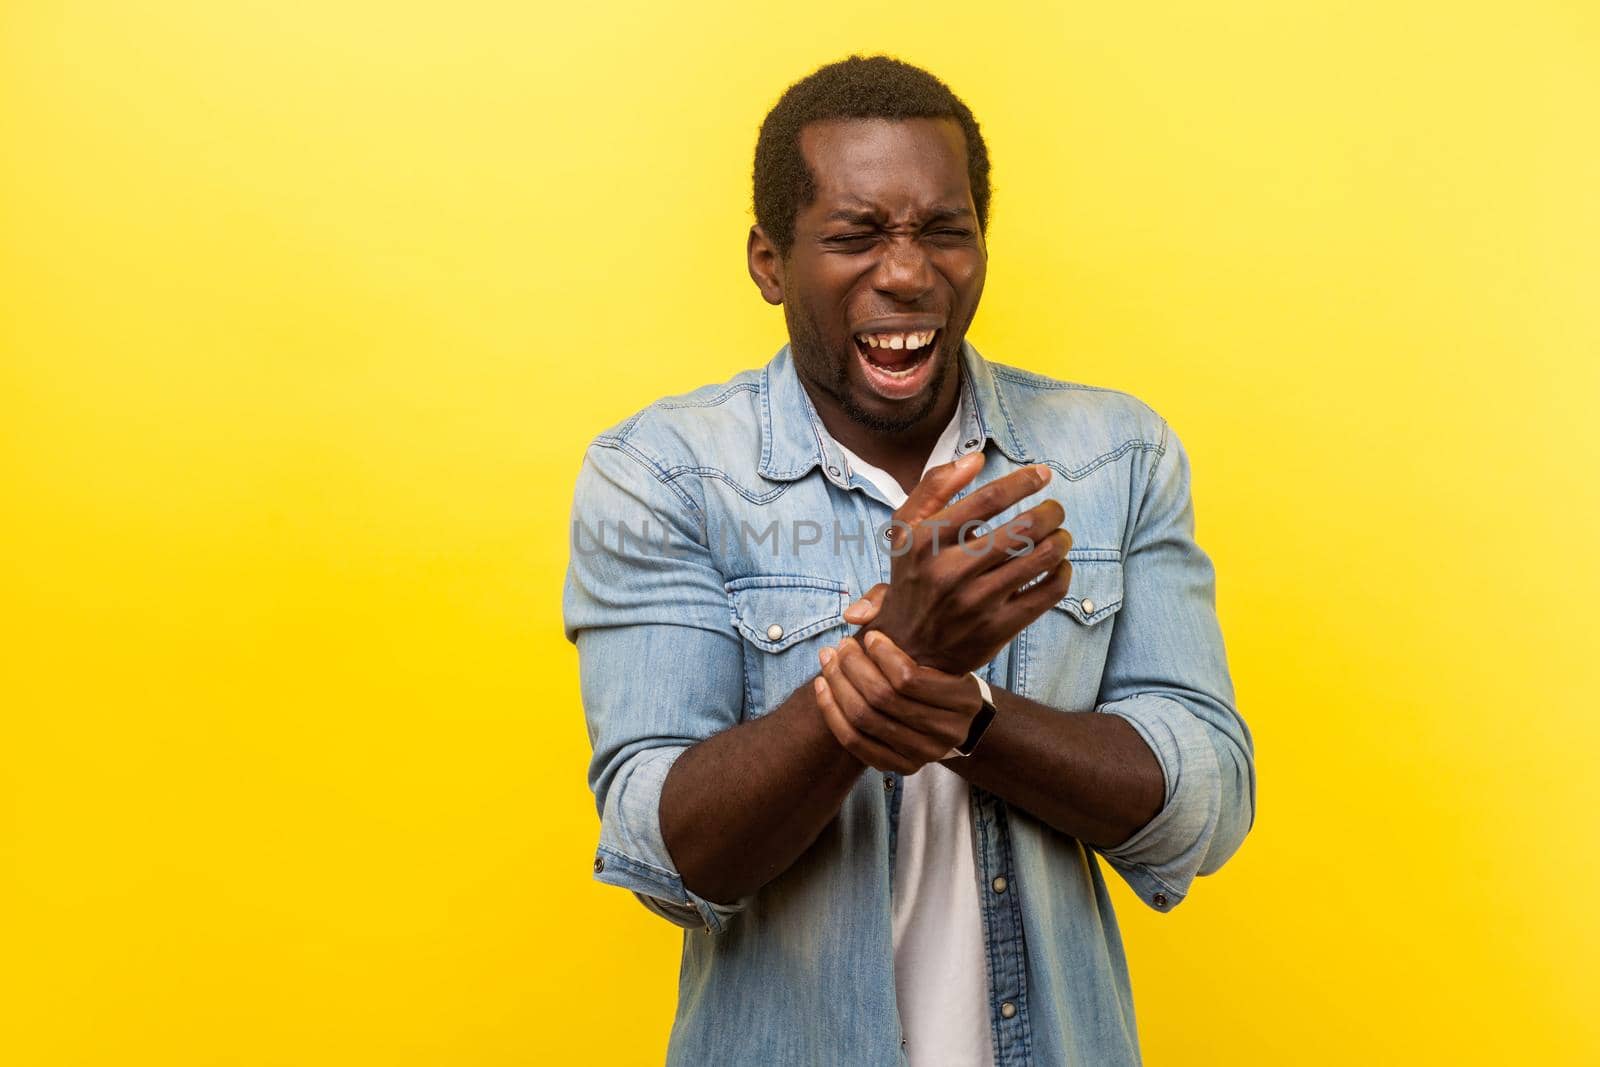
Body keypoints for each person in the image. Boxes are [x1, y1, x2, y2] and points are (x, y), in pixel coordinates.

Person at [562, 54, 1256, 1067]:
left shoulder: (1116, 455)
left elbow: (1203, 805)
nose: (907, 271)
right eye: (854, 235)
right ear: (768, 262)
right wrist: (893, 652)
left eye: (945, 230)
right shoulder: (660, 476)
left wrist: (971, 718)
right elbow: (667, 854)